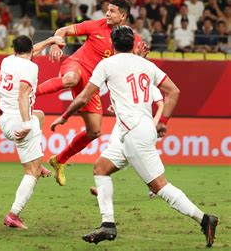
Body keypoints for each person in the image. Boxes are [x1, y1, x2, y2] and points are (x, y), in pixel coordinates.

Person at [51, 26, 218, 247]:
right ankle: (107, 225)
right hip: (137, 129)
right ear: (132, 44)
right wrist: (163, 122)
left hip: (133, 133)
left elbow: (83, 98)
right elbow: (174, 91)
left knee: (160, 187)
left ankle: (204, 218)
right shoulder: (147, 65)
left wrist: (64, 117)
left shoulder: (107, 64)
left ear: (112, 45)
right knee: (100, 168)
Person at [37, 0, 147, 186]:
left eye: (112, 11)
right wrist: (56, 43)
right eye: (107, 10)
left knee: (95, 131)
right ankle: (30, 93)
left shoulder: (132, 40)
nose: (107, 13)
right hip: (76, 65)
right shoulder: (95, 26)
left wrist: (140, 59)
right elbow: (63, 30)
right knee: (71, 79)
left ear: (123, 16)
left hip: (94, 83)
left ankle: (59, 159)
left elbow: (130, 68)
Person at [0, 35, 65, 229]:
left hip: (5, 119)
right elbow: (23, 95)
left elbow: (31, 50)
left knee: (40, 115)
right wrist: (26, 124)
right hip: (20, 121)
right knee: (32, 173)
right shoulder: (31, 67)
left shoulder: (7, 60)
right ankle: (13, 215)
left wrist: (51, 39)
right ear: (30, 51)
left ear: (14, 50)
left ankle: (39, 162)